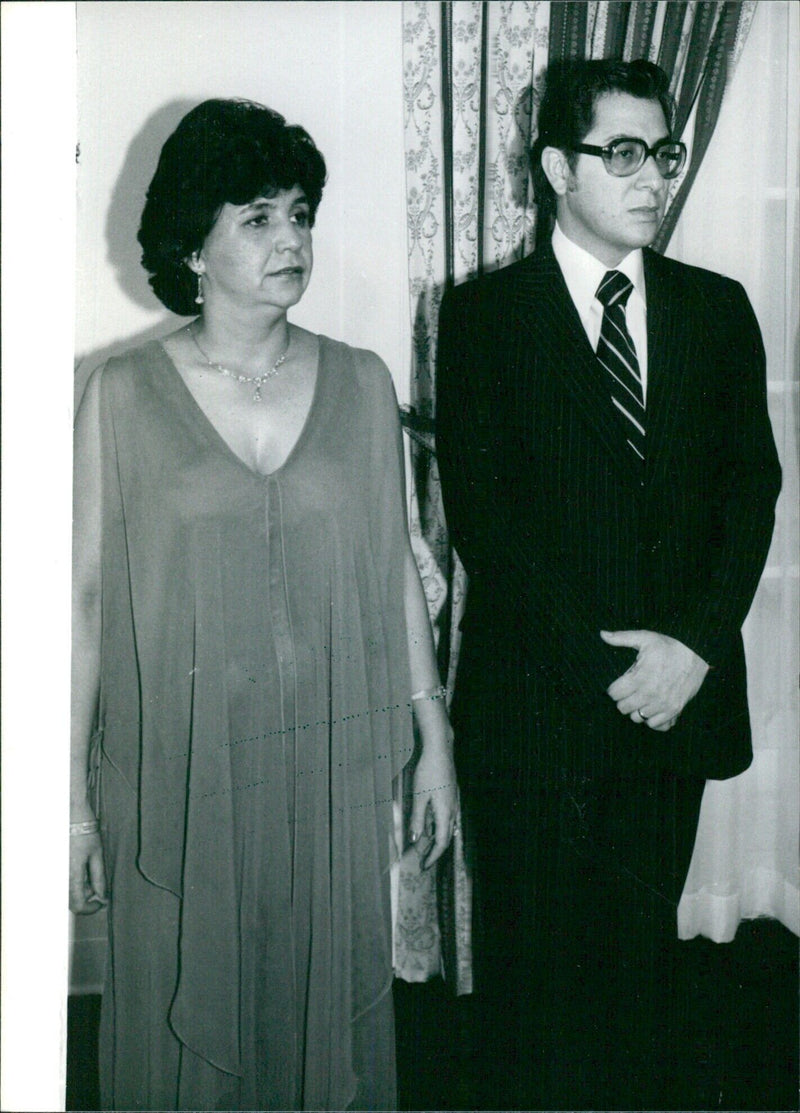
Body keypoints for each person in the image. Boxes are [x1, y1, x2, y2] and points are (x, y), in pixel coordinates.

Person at [70, 98, 457, 1112]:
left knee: (320, 1019)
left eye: (299, 214)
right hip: (176, 770)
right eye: (257, 218)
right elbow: (83, 603)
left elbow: (395, 572)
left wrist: (433, 743)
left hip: (322, 768)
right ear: (191, 247)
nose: (290, 240)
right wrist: (70, 801)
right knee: (184, 1028)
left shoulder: (363, 383)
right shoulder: (118, 395)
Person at [436, 59, 780, 1110]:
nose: (651, 178)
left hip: (674, 703)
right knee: (534, 989)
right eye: (620, 153)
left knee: (638, 975)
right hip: (536, 708)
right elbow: (488, 529)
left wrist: (689, 649)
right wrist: (608, 671)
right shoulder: (482, 317)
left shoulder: (715, 309)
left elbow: (750, 490)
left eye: (661, 153)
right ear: (554, 166)